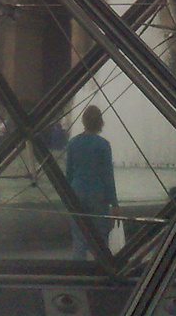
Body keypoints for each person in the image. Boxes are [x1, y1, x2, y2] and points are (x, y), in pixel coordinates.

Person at [66, 105, 119, 260]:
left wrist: (68, 195)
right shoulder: (103, 145)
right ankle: (101, 272)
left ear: (83, 121)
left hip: (77, 191)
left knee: (79, 237)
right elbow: (108, 176)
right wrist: (114, 203)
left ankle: (77, 272)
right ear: (100, 122)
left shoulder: (73, 143)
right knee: (100, 238)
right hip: (97, 193)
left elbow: (68, 173)